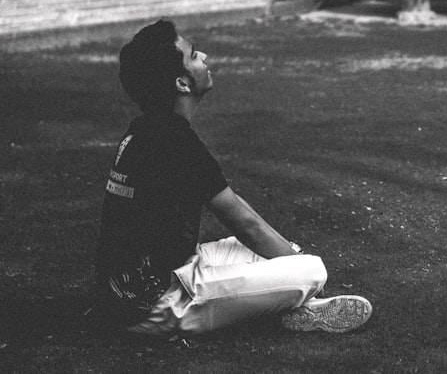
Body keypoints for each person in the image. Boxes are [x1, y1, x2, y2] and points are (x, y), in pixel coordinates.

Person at [94, 19, 372, 338]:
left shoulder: (142, 130)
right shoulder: (175, 143)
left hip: (154, 277)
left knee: (279, 251)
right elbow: (243, 221)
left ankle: (286, 303)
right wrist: (300, 268)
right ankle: (294, 303)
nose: (205, 57)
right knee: (311, 269)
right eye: (194, 55)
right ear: (182, 84)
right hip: (158, 303)